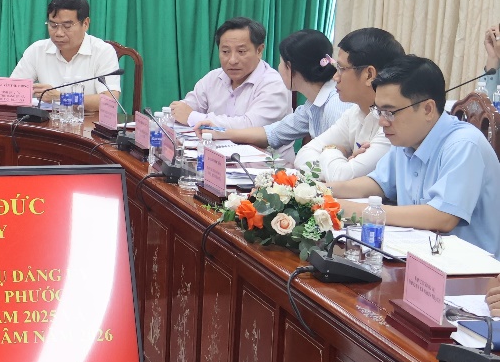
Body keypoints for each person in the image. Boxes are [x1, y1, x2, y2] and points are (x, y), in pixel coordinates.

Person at [327, 55, 500, 253]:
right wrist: (323, 191)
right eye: (379, 111)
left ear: (428, 109)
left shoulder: (464, 144)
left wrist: (352, 209)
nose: (382, 122)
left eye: (390, 112)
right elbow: (377, 184)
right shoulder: (406, 139)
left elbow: (442, 217)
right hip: (419, 254)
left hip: (470, 266)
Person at [212, 29, 350, 153]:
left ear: (290, 68)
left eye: (281, 63)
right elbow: (273, 133)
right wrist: (220, 132)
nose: (278, 68)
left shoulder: (335, 106)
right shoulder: (312, 105)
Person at [296, 28, 405, 180]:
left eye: (341, 69)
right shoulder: (354, 112)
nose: (335, 77)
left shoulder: (392, 122)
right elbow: (304, 155)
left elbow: (342, 177)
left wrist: (331, 150)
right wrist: (341, 162)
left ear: (369, 75)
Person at [9, 0, 120, 112]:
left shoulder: (103, 52)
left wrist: (62, 98)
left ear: (85, 24)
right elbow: (12, 92)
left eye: (67, 26)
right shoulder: (37, 50)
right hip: (48, 121)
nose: (59, 33)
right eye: (53, 25)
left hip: (87, 122)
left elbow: (109, 101)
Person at [171, 17, 292, 128]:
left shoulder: (274, 84)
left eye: (241, 51)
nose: (232, 60)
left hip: (258, 146)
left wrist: (193, 117)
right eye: (225, 52)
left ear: (259, 50)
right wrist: (178, 112)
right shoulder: (213, 77)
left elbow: (251, 127)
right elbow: (186, 108)